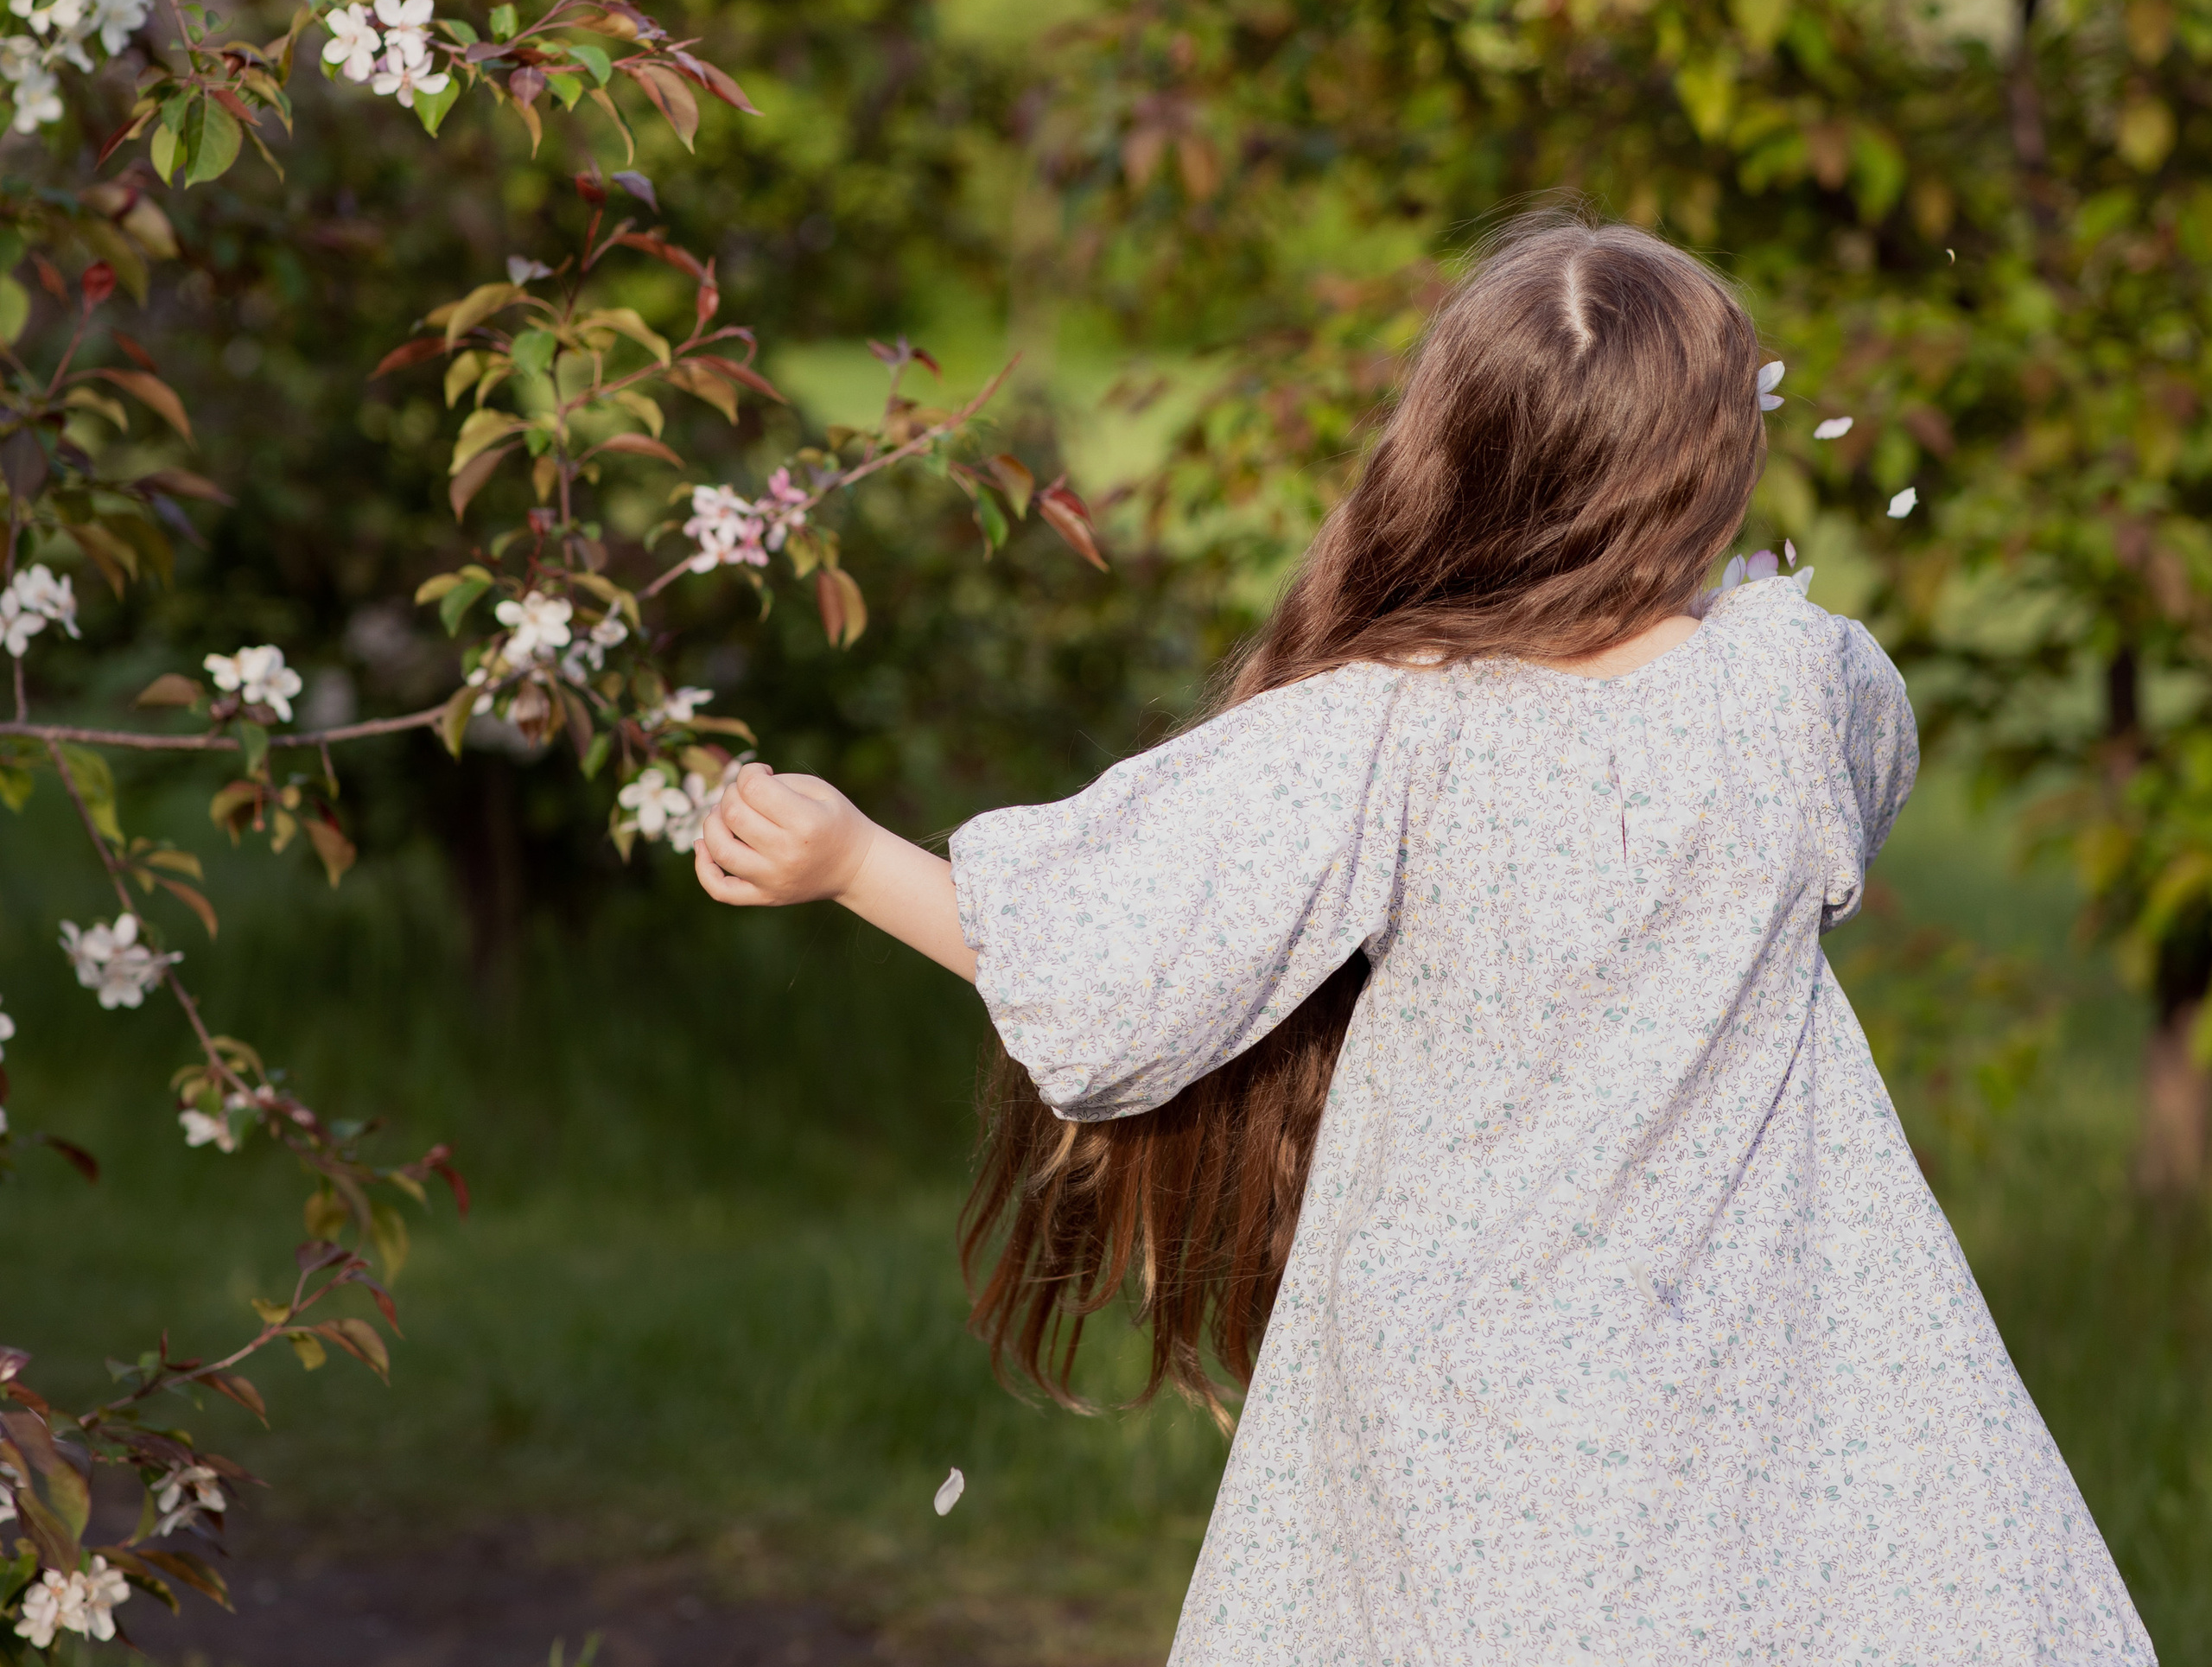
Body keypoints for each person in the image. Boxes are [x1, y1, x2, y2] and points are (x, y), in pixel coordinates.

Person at [693, 215, 2153, 1664]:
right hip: (1775, 1369)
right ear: (1718, 468)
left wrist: (853, 861)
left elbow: (1106, 960)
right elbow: (1862, 799)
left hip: (1471, 1418)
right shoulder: (1794, 683)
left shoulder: (1392, 731)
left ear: (1456, 461)